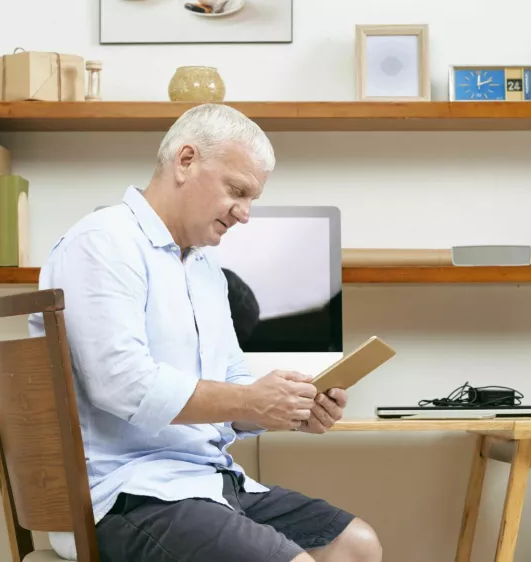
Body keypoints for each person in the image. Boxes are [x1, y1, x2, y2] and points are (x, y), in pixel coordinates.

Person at [28, 103, 382, 562]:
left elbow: (233, 387)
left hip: (211, 482)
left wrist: (288, 409)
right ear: (186, 160)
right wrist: (250, 400)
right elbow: (122, 385)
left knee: (357, 545)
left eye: (252, 198)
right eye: (237, 191)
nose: (245, 214)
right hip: (127, 495)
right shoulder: (102, 244)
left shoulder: (206, 270)